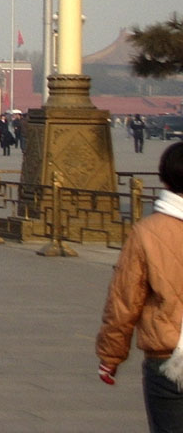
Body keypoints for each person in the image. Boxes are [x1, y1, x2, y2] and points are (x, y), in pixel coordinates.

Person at [96, 141, 183, 432]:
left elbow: (124, 301)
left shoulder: (147, 232)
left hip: (169, 360)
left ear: (164, 178)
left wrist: (111, 356)